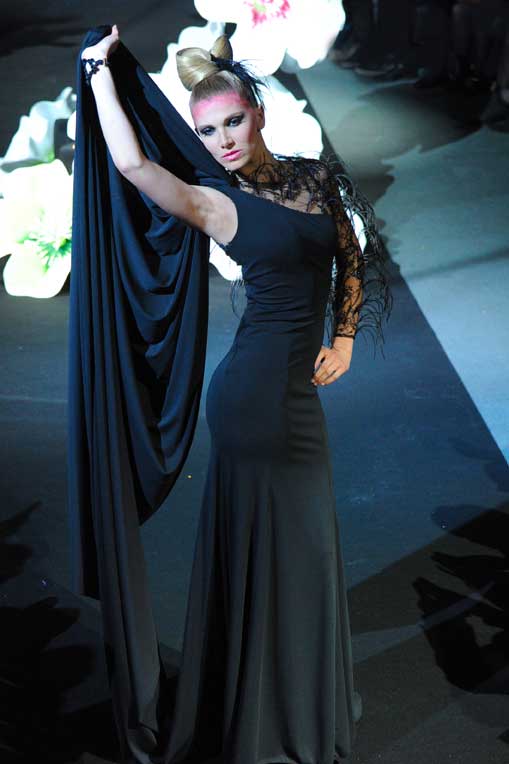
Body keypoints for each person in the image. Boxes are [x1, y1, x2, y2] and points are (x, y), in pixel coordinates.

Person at [72, 23, 392, 764]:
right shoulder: (218, 203)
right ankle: (269, 719)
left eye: (231, 122)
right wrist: (97, 74)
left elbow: (349, 256)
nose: (221, 141)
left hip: (293, 396)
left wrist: (344, 338)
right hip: (253, 402)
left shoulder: (313, 177)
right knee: (293, 551)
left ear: (258, 114)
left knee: (301, 553)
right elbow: (132, 164)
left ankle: (283, 702)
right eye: (206, 131)